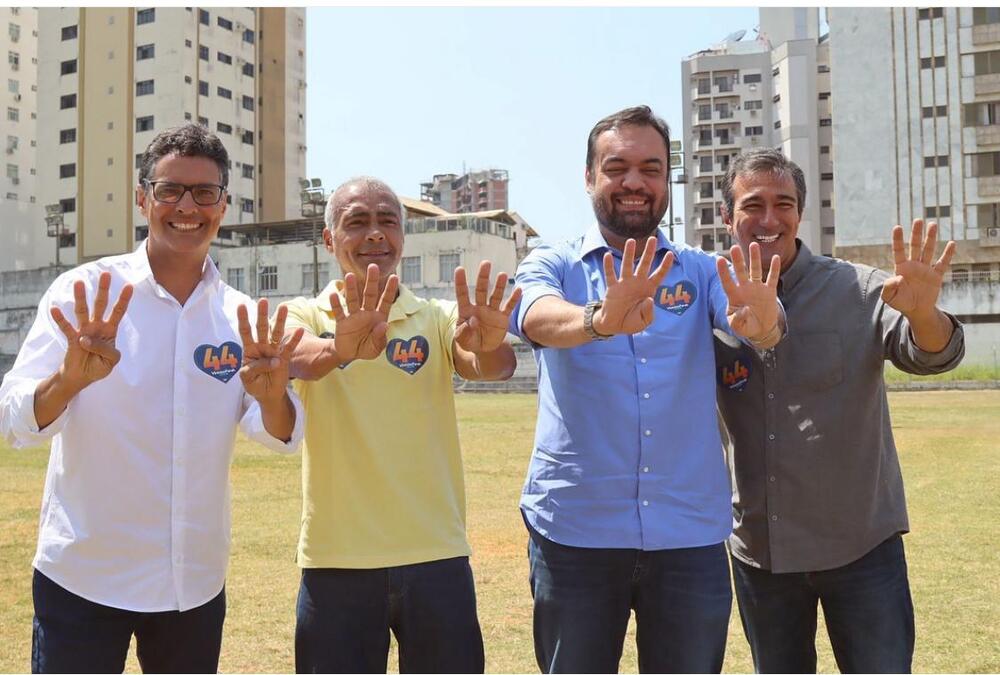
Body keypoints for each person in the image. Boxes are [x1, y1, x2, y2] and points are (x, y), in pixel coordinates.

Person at [0, 123, 305, 674]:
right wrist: (68, 381)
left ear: (223, 206)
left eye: (204, 192)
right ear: (144, 199)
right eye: (169, 190)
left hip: (192, 583)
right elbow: (15, 418)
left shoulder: (238, 314)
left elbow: (281, 435)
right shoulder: (84, 293)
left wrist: (274, 395)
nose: (186, 206)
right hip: (86, 577)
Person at [508, 105, 785, 673]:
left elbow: (753, 321)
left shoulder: (702, 269)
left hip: (687, 535)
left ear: (666, 182)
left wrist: (764, 322)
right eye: (617, 167)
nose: (634, 182)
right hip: (575, 533)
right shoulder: (553, 261)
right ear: (589, 177)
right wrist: (599, 321)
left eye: (651, 168)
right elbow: (535, 317)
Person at [714, 148, 964, 673]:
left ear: (799, 214)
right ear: (727, 215)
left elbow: (933, 353)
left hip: (861, 550)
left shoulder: (858, 289)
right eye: (752, 204)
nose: (768, 219)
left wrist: (924, 314)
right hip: (762, 553)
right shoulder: (713, 304)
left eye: (783, 203)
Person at [283, 177, 521, 674]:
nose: (375, 234)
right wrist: (339, 348)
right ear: (329, 240)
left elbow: (486, 363)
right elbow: (297, 359)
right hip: (336, 563)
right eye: (357, 222)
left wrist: (490, 343)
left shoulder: (436, 316)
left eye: (387, 221)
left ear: (402, 238)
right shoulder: (304, 314)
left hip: (437, 558)